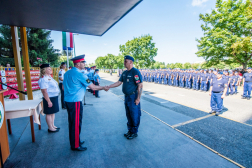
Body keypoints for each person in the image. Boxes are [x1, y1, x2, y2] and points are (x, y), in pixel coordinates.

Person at [63, 55, 109, 151]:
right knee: (76, 123)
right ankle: (75, 145)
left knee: (72, 122)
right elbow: (93, 87)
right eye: (83, 62)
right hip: (75, 101)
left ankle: (76, 140)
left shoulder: (67, 73)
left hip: (68, 100)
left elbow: (63, 88)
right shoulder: (81, 75)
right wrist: (104, 87)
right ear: (78, 64)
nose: (84, 64)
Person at [108, 55, 143, 140]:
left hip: (133, 97)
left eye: (125, 61)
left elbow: (140, 85)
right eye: (124, 61)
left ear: (131, 62)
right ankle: (130, 130)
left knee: (134, 114)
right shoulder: (124, 72)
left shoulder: (135, 72)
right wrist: (109, 86)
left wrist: (138, 98)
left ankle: (134, 132)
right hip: (127, 97)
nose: (124, 63)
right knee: (128, 114)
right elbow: (119, 82)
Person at [38, 63, 60, 133]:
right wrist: (48, 101)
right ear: (44, 70)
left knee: (53, 112)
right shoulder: (44, 79)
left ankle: (52, 125)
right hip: (49, 98)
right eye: (49, 69)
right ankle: (50, 127)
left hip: (54, 97)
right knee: (49, 113)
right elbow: (44, 91)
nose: (51, 70)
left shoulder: (49, 77)